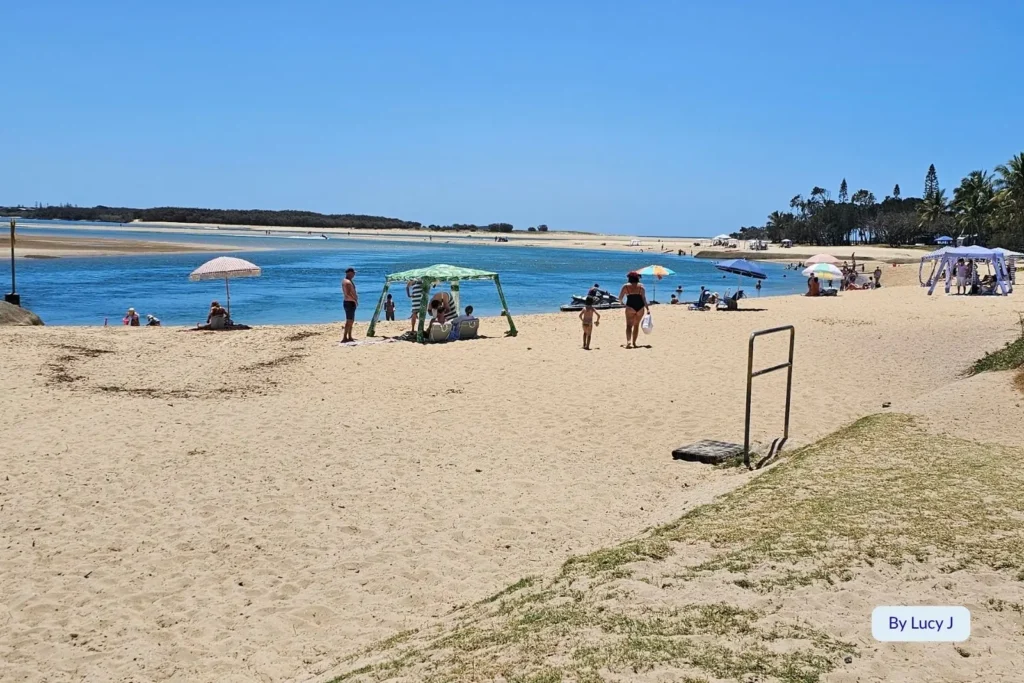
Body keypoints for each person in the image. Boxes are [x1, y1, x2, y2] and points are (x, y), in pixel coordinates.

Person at [618, 271, 649, 349]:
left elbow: (620, 298)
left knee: (629, 325)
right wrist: (647, 309)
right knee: (636, 325)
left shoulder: (625, 286)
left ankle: (628, 341)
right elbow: (644, 299)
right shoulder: (641, 286)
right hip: (640, 307)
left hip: (630, 306)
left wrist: (622, 303)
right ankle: (634, 343)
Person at [341, 267, 357, 343]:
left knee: (351, 320)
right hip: (349, 302)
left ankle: (349, 336)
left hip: (351, 302)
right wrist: (354, 300)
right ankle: (344, 337)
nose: (354, 274)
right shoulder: (347, 282)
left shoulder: (349, 281)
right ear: (349, 273)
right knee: (349, 321)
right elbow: (348, 293)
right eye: (353, 273)